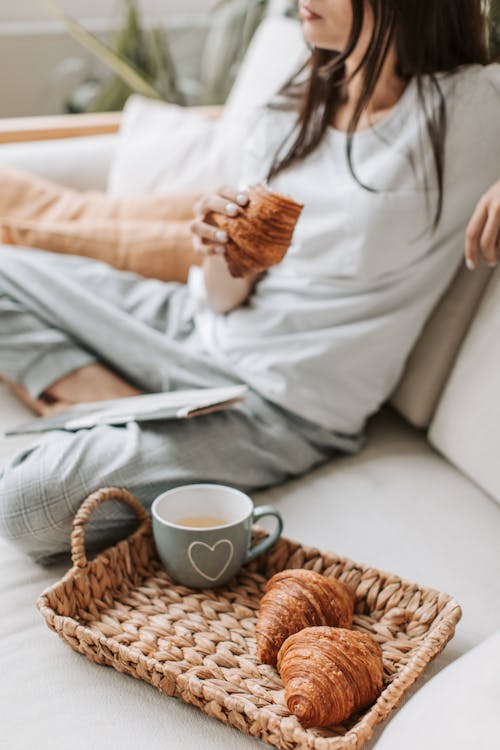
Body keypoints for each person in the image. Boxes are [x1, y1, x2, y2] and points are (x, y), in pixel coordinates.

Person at [0, 0, 499, 564]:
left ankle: (128, 414)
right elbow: (223, 297)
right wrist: (221, 248)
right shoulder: (291, 108)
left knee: (26, 506)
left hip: (274, 403)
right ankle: (118, 401)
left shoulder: (469, 107)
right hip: (194, 323)